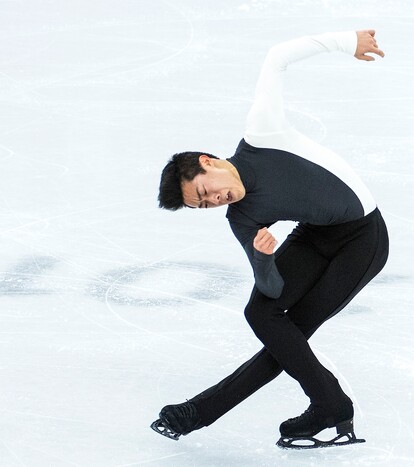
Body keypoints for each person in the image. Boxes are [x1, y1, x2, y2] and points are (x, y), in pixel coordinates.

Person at [152, 29, 389, 449]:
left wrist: (346, 40)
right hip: (314, 237)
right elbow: (271, 289)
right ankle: (329, 405)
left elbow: (278, 56)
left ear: (208, 162)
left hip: (362, 240)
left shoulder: (263, 135)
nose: (216, 201)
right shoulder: (241, 218)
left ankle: (322, 406)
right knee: (263, 315)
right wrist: (263, 259)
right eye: (204, 206)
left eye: (206, 191)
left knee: (291, 332)